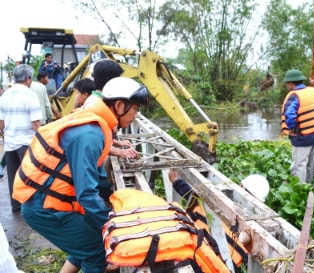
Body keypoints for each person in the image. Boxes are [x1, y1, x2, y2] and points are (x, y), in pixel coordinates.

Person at [12, 77, 149, 273]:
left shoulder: (93, 125)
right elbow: (86, 194)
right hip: (44, 207)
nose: (136, 115)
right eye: (135, 109)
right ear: (119, 106)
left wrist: (107, 214)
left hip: (47, 200)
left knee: (86, 240)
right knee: (96, 253)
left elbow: (91, 179)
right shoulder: (90, 135)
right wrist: (115, 226)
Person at [168, 169, 248, 270]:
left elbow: (190, 194)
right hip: (222, 266)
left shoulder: (218, 204)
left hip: (198, 256)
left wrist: (175, 180)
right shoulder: (251, 232)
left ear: (241, 187)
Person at [0, 64, 42, 213]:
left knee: (13, 175)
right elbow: (36, 123)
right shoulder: (30, 95)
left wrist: (6, 135)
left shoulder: (5, 95)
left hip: (10, 142)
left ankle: (16, 206)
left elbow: (1, 122)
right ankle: (31, 207)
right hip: (26, 142)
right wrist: (42, 143)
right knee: (30, 174)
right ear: (28, 78)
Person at [281, 69, 314, 183]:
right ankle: (309, 185)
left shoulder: (294, 95)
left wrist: (293, 128)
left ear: (291, 83)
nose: (287, 86)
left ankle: (299, 190)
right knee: (311, 163)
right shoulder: (313, 91)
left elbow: (290, 114)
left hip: (302, 136)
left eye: (287, 83)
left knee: (299, 165)